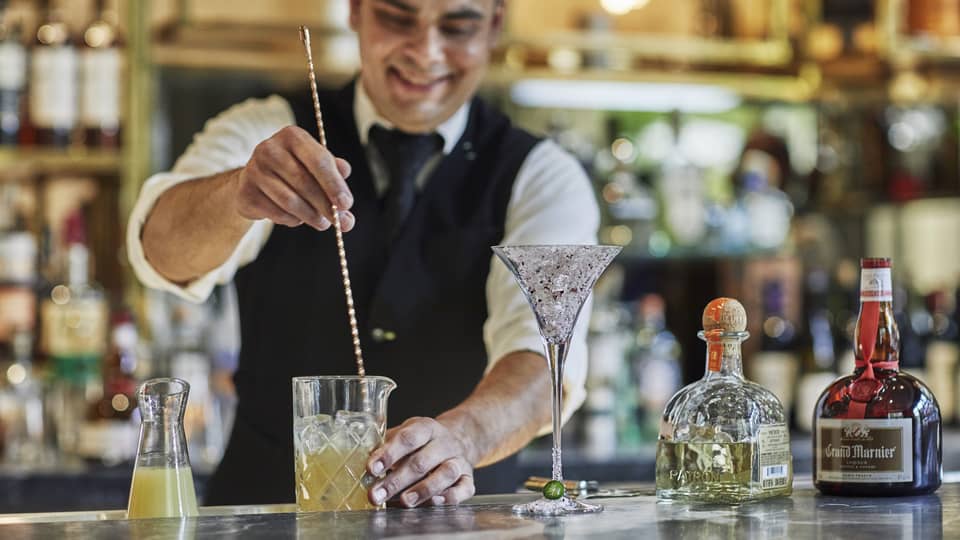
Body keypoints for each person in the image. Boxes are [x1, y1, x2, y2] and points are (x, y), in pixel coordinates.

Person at [127, 0, 598, 507]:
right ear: (355, 12)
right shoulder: (268, 127)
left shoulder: (541, 176)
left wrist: (463, 438)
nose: (425, 52)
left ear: (495, 27)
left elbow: (542, 359)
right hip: (266, 516)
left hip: (462, 523)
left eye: (458, 26)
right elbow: (160, 254)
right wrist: (236, 194)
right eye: (398, 19)